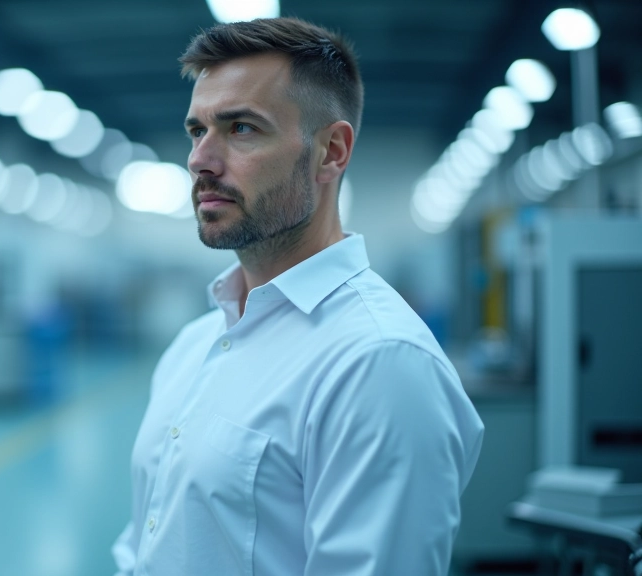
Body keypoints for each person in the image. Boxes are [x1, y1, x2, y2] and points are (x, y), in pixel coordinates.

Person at [112, 17, 484, 576]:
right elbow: (144, 545)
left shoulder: (378, 364)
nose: (200, 161)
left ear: (331, 152)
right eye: (197, 131)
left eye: (240, 129)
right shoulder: (196, 344)